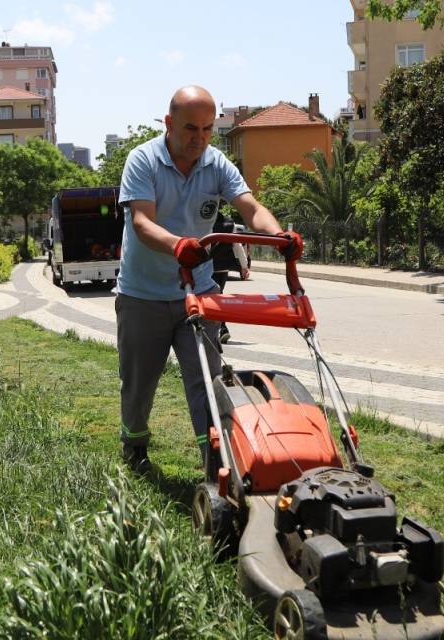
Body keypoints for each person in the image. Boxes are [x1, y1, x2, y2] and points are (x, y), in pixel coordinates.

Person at [115, 85, 299, 473]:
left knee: (206, 381)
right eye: (190, 129)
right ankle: (134, 447)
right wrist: (178, 244)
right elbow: (142, 222)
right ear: (168, 123)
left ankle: (214, 459)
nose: (199, 139)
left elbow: (251, 208)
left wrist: (278, 237)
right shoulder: (142, 160)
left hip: (198, 291)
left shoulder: (216, 164)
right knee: (139, 383)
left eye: (206, 130)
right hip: (142, 295)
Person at [209, 213, 251, 344]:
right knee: (218, 297)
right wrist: (244, 266)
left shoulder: (202, 220)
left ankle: (219, 329)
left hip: (206, 267)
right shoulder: (229, 224)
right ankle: (221, 329)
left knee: (209, 298)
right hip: (223, 268)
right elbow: (237, 245)